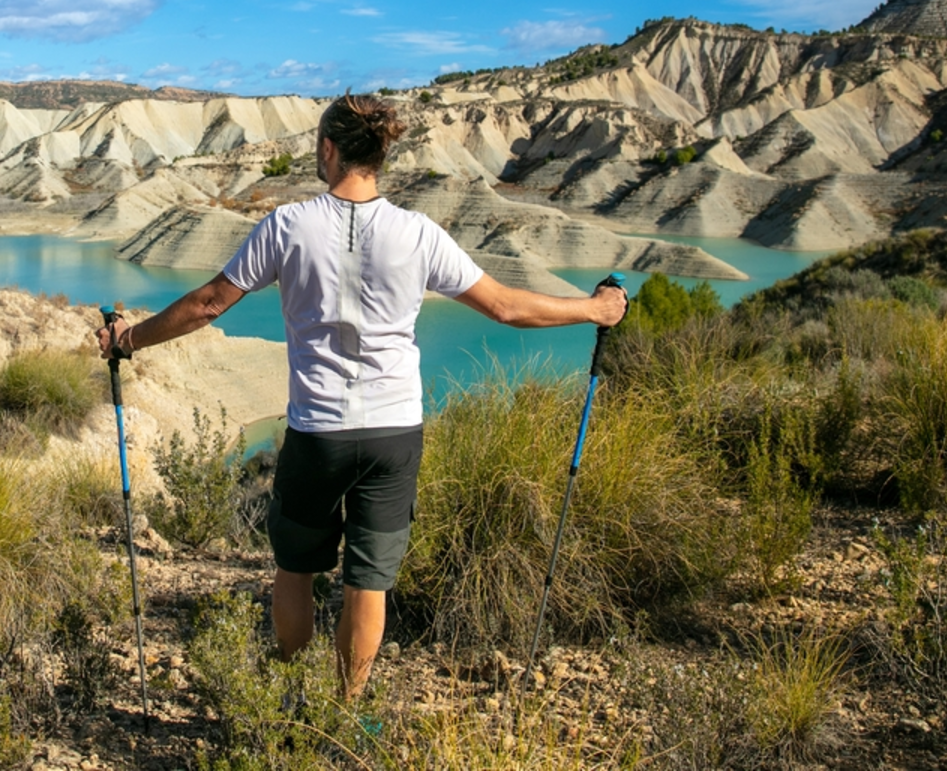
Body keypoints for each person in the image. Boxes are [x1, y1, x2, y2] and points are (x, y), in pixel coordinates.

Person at [96, 93, 627, 699]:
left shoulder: (286, 226)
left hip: (317, 432)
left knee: (295, 569)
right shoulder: (418, 233)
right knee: (367, 582)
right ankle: (344, 712)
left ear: (328, 150)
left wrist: (128, 339)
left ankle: (288, 701)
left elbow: (209, 304)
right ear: (380, 156)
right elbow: (506, 306)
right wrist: (594, 309)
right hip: (394, 432)